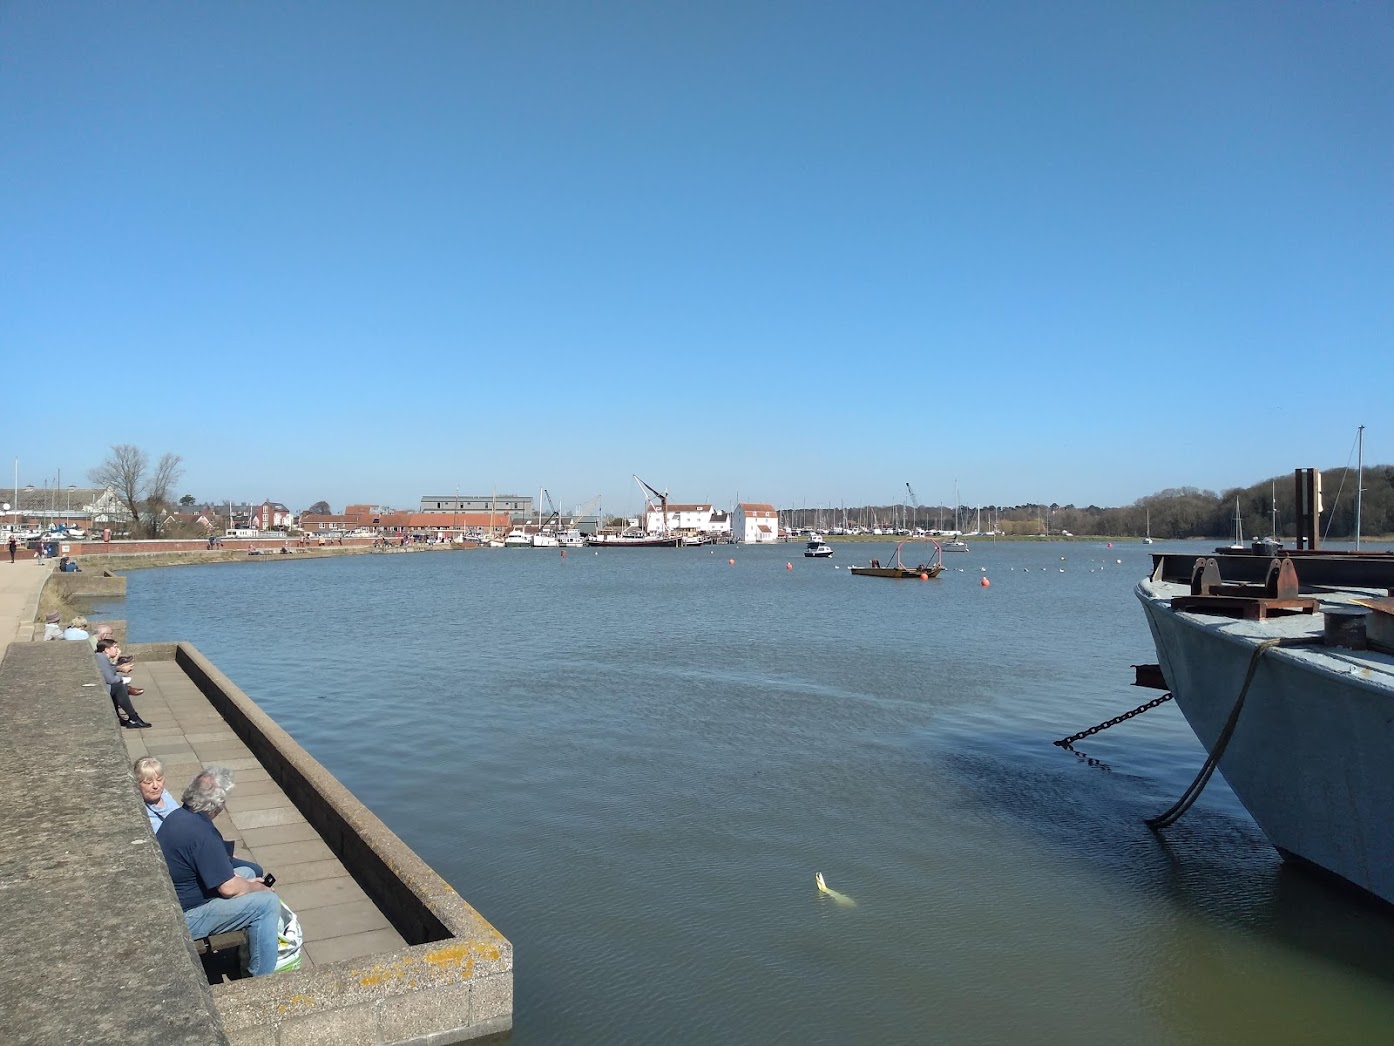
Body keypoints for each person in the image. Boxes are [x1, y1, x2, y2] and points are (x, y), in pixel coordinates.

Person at [157, 767, 282, 976]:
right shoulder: (203, 834)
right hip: (186, 916)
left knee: (247, 873)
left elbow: (220, 874)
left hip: (174, 901)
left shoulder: (178, 817)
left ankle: (248, 953)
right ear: (217, 804)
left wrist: (250, 883)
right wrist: (256, 888)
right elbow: (229, 888)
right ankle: (262, 979)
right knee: (267, 904)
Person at [95, 638, 150, 727]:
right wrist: (122, 679)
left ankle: (122, 717)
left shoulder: (101, 657)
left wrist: (116, 660)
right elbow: (110, 679)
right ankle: (134, 718)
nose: (118, 650)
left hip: (104, 685)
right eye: (115, 647)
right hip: (101, 687)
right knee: (120, 687)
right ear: (106, 649)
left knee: (121, 686)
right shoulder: (100, 658)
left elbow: (110, 670)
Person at [134, 756, 180, 832]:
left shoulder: (164, 794)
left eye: (159, 780)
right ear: (137, 784)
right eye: (148, 782)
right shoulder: (142, 813)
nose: (155, 786)